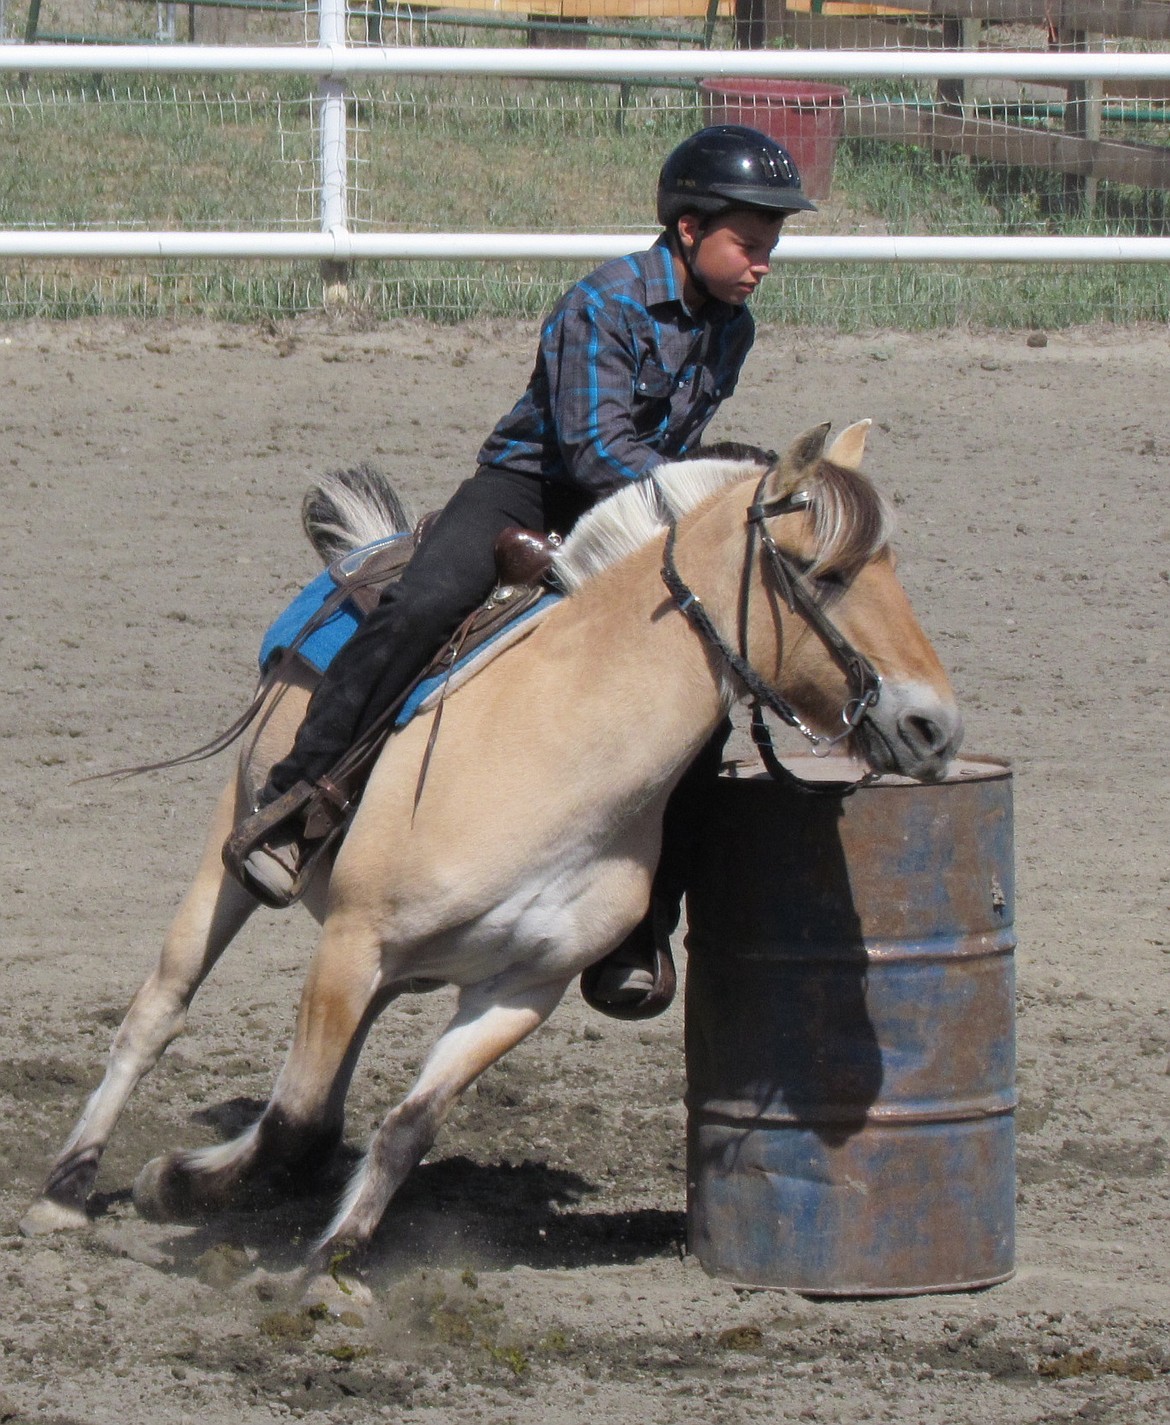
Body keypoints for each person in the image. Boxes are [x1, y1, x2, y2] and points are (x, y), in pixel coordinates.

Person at [225, 124, 816, 1014]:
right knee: (425, 602)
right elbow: (589, 452)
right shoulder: (604, 304)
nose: (764, 260)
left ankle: (640, 926)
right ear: (689, 231)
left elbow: (659, 452)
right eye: (751, 242)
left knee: (699, 706)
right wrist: (701, 495)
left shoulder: (733, 328)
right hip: (529, 489)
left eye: (773, 243)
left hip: (634, 503)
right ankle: (297, 800)